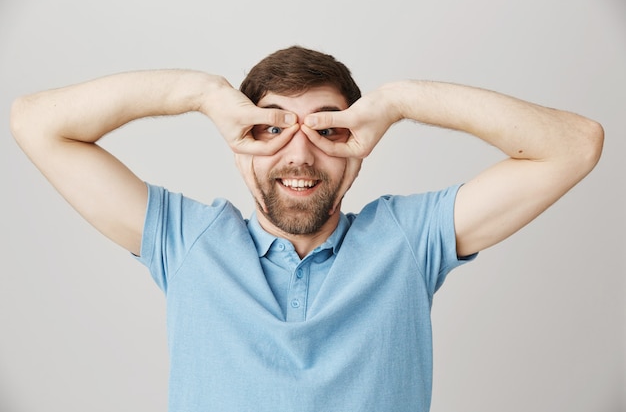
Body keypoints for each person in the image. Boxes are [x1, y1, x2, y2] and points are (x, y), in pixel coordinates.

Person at [10, 46, 603, 412]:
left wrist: (399, 101)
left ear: (359, 147)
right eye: (272, 129)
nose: (301, 154)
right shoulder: (187, 242)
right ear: (240, 148)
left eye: (328, 130)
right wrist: (198, 94)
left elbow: (574, 146)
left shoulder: (407, 241)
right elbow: (35, 123)